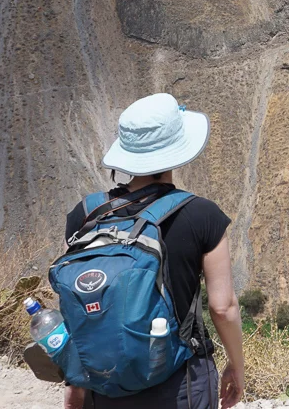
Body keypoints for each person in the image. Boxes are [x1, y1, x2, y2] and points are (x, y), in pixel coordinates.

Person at [63, 93, 245, 409]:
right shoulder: (202, 215)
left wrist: (75, 381)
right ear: (176, 151)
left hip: (103, 385)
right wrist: (236, 366)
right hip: (180, 384)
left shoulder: (86, 214)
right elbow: (222, 307)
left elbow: (78, 301)